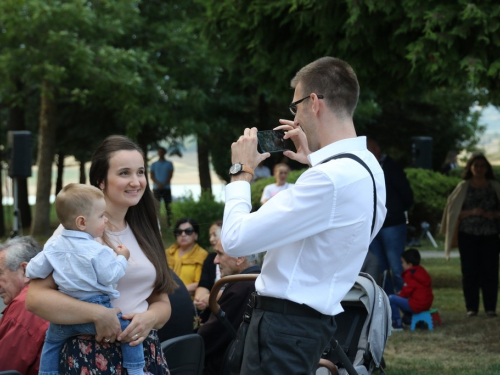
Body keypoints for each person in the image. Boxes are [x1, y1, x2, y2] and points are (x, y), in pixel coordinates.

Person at [221, 57, 387, 374]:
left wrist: (240, 172)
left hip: (283, 328)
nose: (294, 116)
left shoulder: (328, 179)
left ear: (313, 102)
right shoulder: (367, 167)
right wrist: (313, 160)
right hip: (308, 325)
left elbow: (235, 239)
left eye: (296, 106)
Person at [26, 135, 177, 374]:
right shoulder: (75, 231)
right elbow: (35, 299)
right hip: (90, 355)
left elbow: (161, 300)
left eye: (140, 172)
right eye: (124, 173)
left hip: (143, 354)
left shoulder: (148, 227)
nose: (136, 181)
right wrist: (98, 314)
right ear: (101, 181)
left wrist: (149, 318)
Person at [26, 183, 144, 375]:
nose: (105, 220)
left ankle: (47, 372)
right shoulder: (98, 251)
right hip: (96, 308)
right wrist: (123, 257)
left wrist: (30, 271)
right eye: (100, 216)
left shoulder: (53, 245)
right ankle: (137, 370)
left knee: (51, 342)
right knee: (129, 331)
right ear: (82, 222)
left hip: (66, 316)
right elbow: (110, 277)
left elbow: (34, 269)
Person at [441, 153, 500, 317]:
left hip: (491, 234)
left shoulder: (494, 186)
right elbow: (453, 212)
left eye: (483, 166)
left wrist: (494, 215)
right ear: (470, 168)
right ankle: (471, 307)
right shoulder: (463, 187)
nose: (479, 169)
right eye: (476, 166)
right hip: (468, 234)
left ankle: (490, 308)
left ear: (487, 168)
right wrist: (471, 212)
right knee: (469, 272)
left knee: (491, 271)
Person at [197, 239, 261, 375]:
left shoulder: (243, 287)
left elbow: (209, 337)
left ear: (240, 258)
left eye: (220, 254)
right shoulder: (253, 282)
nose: (215, 261)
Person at [367, 137, 414, 295]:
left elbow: (407, 195)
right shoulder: (363, 167)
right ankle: (389, 311)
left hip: (392, 224)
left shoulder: (392, 167)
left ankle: (407, 310)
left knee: (398, 267)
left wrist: (394, 211)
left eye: (367, 149)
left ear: (377, 150)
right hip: (373, 225)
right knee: (380, 270)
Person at [0, 236, 49, 375]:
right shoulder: (53, 295)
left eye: (0, 273)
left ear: (26, 270)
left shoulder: (25, 306)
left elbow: (5, 367)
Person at [389, 249, 434, 331]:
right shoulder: (421, 271)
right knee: (403, 300)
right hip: (426, 304)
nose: (402, 265)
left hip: (416, 305)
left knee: (391, 299)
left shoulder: (409, 274)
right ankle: (408, 319)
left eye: (403, 262)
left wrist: (399, 294)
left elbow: (407, 291)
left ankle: (397, 323)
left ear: (409, 264)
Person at [166, 218, 208, 297]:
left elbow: (200, 283)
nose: (183, 234)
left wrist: (176, 291)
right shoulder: (167, 253)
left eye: (188, 231)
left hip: (188, 299)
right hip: (165, 298)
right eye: (179, 232)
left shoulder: (202, 255)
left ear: (196, 235)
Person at [194, 220, 223, 324]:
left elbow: (235, 287)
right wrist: (199, 298)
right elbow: (203, 283)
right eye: (210, 236)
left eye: (214, 235)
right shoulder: (210, 258)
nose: (211, 239)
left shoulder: (235, 257)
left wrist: (210, 298)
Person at [150, 147, 174, 227]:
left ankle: (170, 224)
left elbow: (170, 175)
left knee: (168, 206)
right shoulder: (154, 164)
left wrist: (163, 184)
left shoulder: (169, 164)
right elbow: (152, 176)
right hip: (156, 188)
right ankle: (156, 224)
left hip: (166, 188)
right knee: (156, 207)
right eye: (159, 152)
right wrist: (158, 184)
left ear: (164, 153)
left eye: (162, 152)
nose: (160, 153)